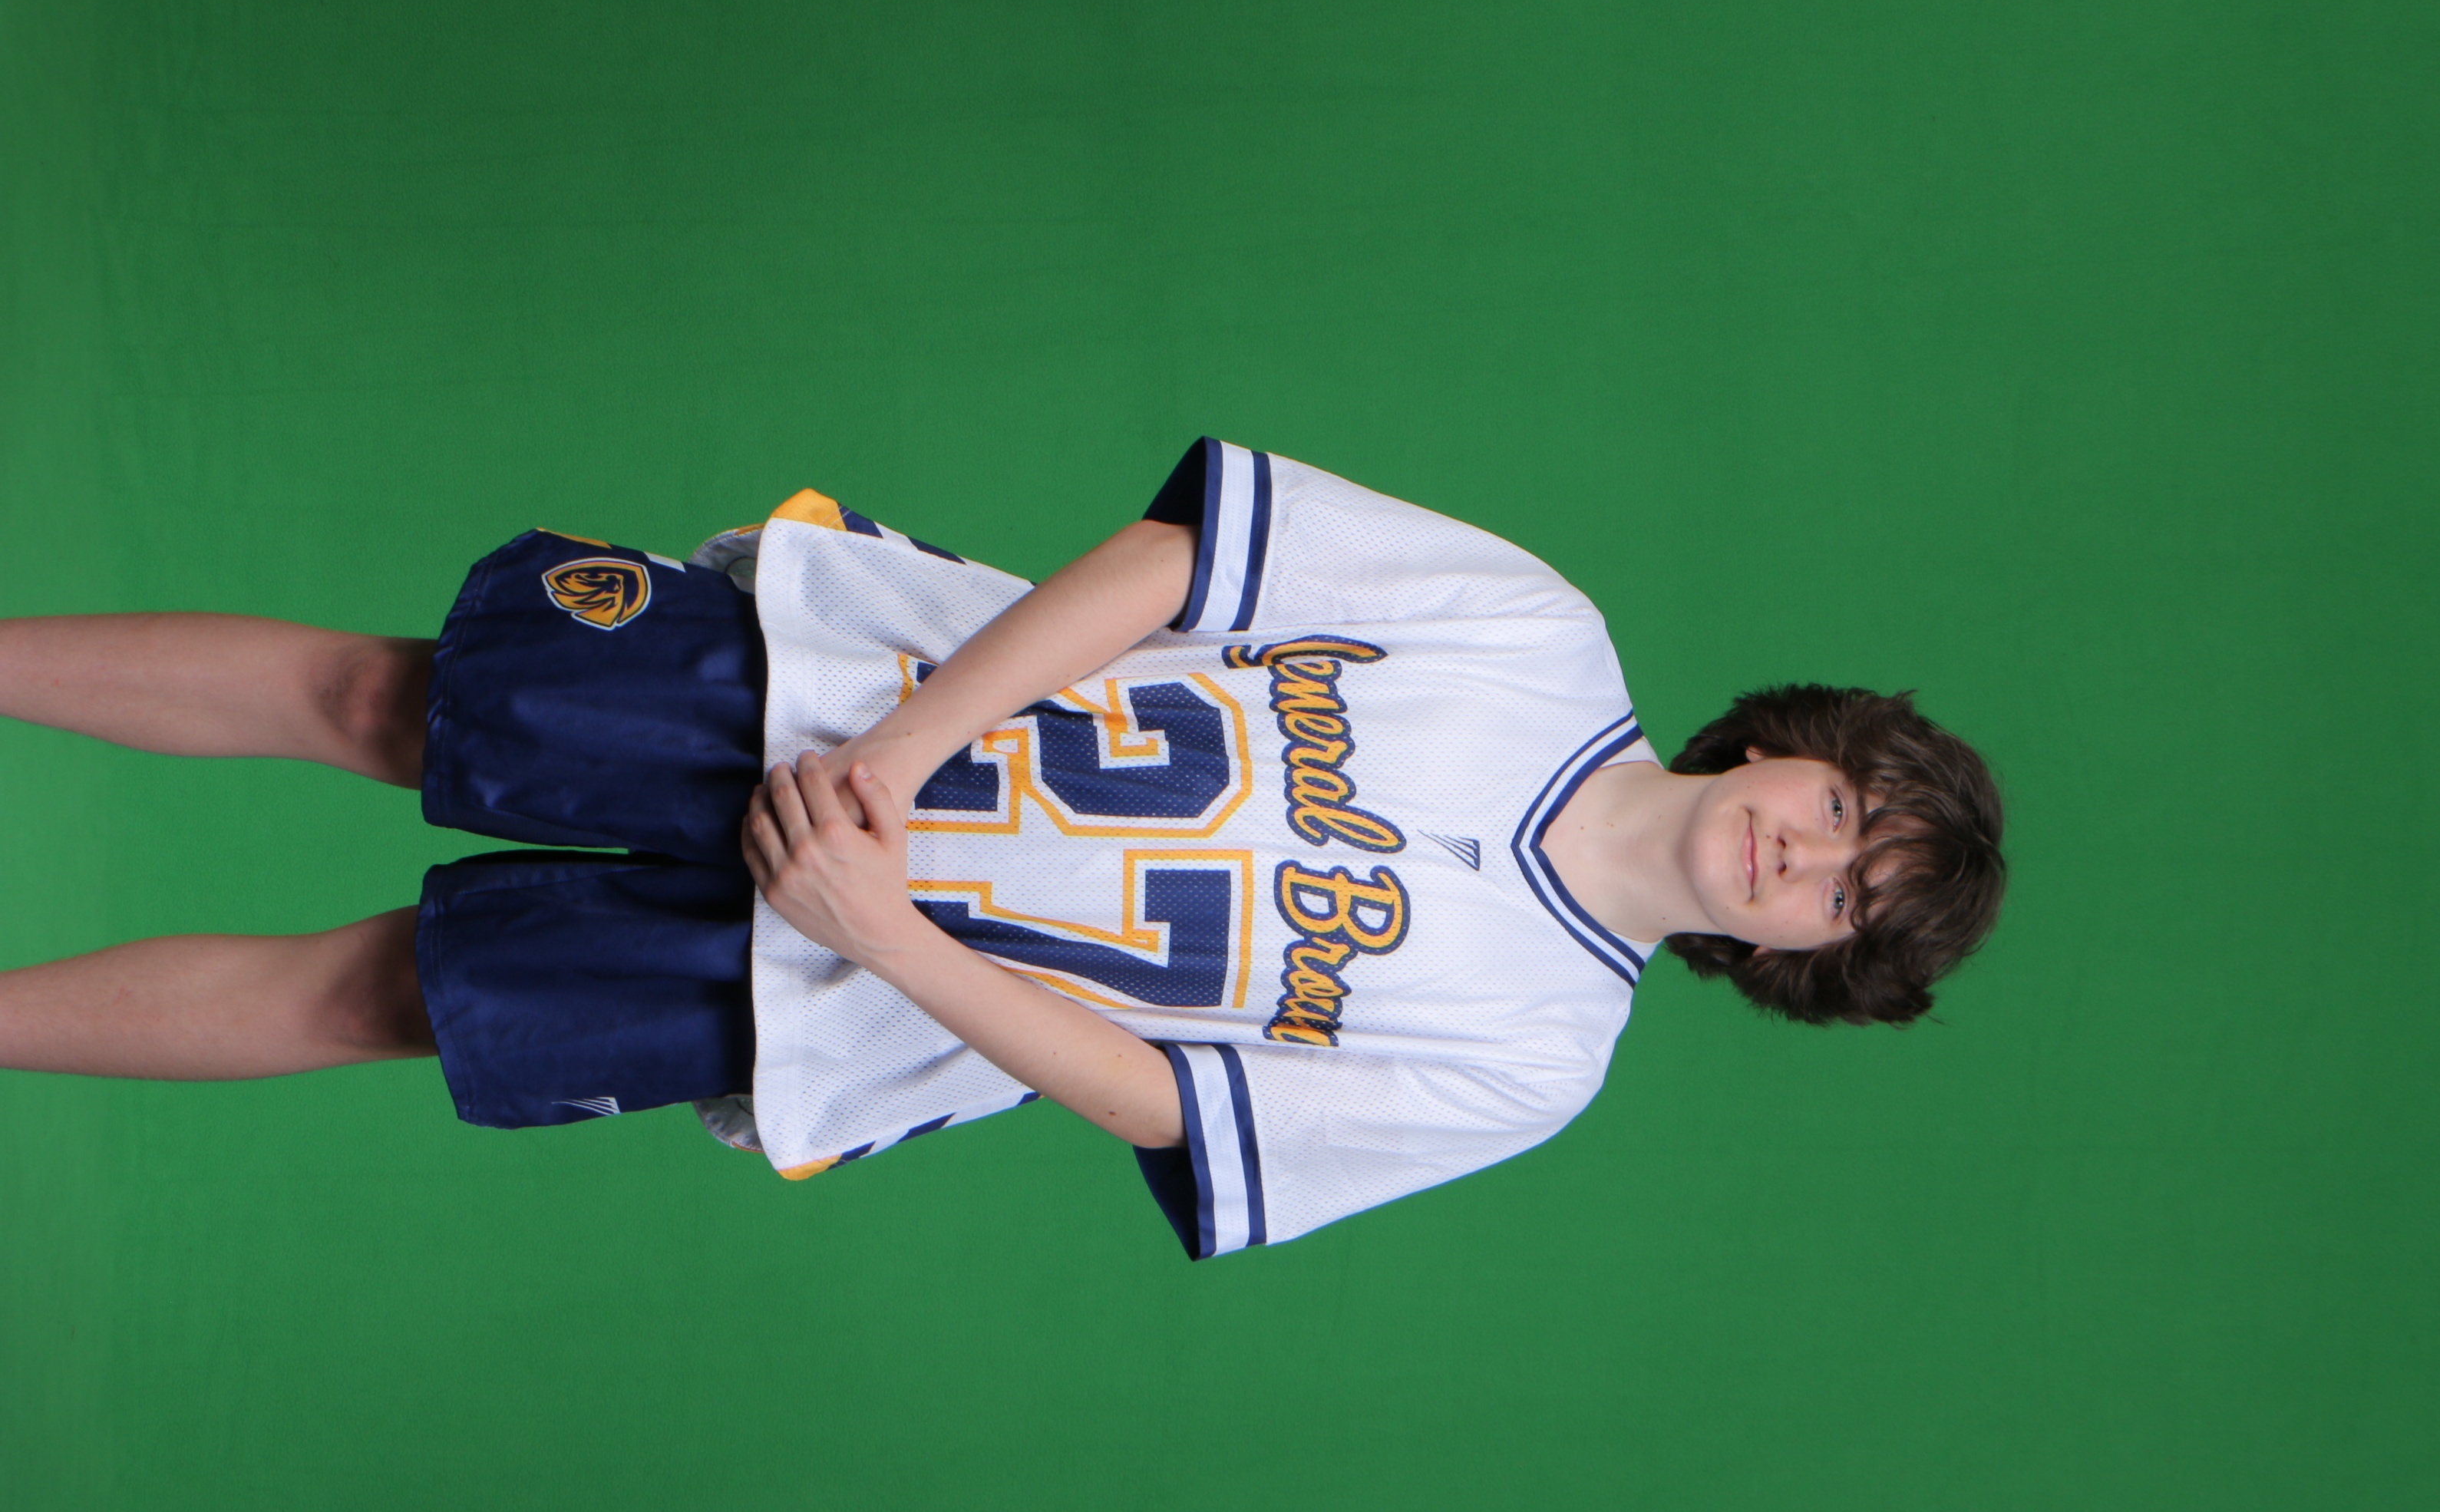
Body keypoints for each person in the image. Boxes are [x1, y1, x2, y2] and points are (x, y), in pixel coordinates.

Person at [0, 441, 2004, 1256]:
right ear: (1796, 746)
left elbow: (1175, 1110)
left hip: (849, 985)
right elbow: (1178, 563)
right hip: (847, 695)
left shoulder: (1538, 1058)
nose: (1800, 859)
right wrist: (896, 755)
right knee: (387, 698)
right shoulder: (1539, 634)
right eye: (1841, 811)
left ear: (1806, 964)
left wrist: (881, 927)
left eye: (1846, 901)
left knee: (381, 999)